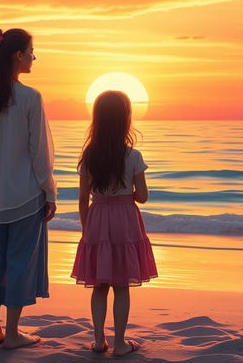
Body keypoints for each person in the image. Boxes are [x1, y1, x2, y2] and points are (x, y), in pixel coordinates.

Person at [0, 28, 56, 350]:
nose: (35, 56)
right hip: (24, 194)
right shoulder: (30, 97)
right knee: (20, 262)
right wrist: (50, 191)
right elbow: (40, 153)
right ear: (18, 55)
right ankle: (14, 331)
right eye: (32, 50)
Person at [71, 90, 157, 356]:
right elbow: (142, 196)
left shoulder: (90, 156)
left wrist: (87, 229)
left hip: (97, 219)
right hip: (125, 220)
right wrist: (127, 195)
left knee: (99, 285)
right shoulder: (133, 156)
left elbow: (83, 198)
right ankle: (120, 343)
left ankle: (99, 341)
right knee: (122, 286)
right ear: (125, 120)